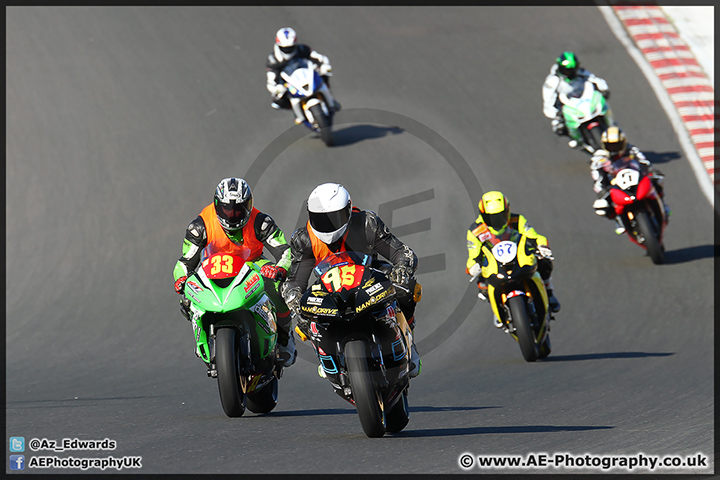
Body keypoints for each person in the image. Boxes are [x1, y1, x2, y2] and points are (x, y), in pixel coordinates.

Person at [280, 183, 422, 378]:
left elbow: (401, 252)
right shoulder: (304, 238)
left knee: (406, 288)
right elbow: (296, 279)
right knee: (303, 318)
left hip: (371, 274)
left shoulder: (366, 223)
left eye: (333, 218)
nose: (327, 225)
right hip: (329, 285)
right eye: (320, 219)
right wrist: (293, 294)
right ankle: (325, 353)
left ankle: (408, 340)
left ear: (348, 210)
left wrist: (402, 268)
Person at [173, 177, 297, 369]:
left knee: (276, 287)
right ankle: (204, 339)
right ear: (217, 205)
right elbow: (185, 262)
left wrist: (279, 269)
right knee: (187, 298)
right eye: (226, 209)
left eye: (238, 209)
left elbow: (284, 251)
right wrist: (181, 279)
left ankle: (284, 335)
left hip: (252, 264)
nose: (232, 214)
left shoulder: (261, 222)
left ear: (249, 206)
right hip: (214, 268)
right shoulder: (200, 226)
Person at [466, 191, 560, 328]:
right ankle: (497, 308)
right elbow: (472, 254)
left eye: (500, 216)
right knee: (482, 284)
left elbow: (534, 236)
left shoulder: (518, 220)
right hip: (493, 263)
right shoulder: (475, 231)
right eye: (491, 217)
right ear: (482, 215)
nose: (496, 221)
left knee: (543, 261)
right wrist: (473, 266)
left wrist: (542, 245)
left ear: (507, 211)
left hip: (518, 256)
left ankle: (549, 291)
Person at [590, 126, 670, 234]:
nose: (614, 149)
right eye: (610, 146)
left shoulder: (631, 150)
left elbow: (644, 161)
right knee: (603, 205)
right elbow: (597, 178)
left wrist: (652, 170)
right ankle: (619, 220)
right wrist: (602, 192)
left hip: (636, 178)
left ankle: (663, 206)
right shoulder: (599, 159)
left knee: (657, 181)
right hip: (615, 185)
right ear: (604, 145)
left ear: (623, 143)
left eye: (617, 145)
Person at [266, 26, 341, 124]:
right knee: (279, 100)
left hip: (306, 75)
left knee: (324, 76)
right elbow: (271, 78)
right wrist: (277, 87)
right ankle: (296, 113)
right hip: (289, 83)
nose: (288, 50)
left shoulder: (302, 49)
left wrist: (324, 66)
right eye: (285, 48)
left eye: (291, 48)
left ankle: (331, 100)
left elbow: (318, 58)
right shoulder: (273, 60)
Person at [542, 51, 610, 149]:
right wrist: (556, 114)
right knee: (559, 128)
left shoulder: (580, 72)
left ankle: (610, 125)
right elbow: (548, 100)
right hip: (567, 108)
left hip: (586, 100)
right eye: (567, 71)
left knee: (602, 104)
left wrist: (604, 89)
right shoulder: (552, 81)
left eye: (572, 70)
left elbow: (595, 79)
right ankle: (578, 140)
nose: (570, 73)